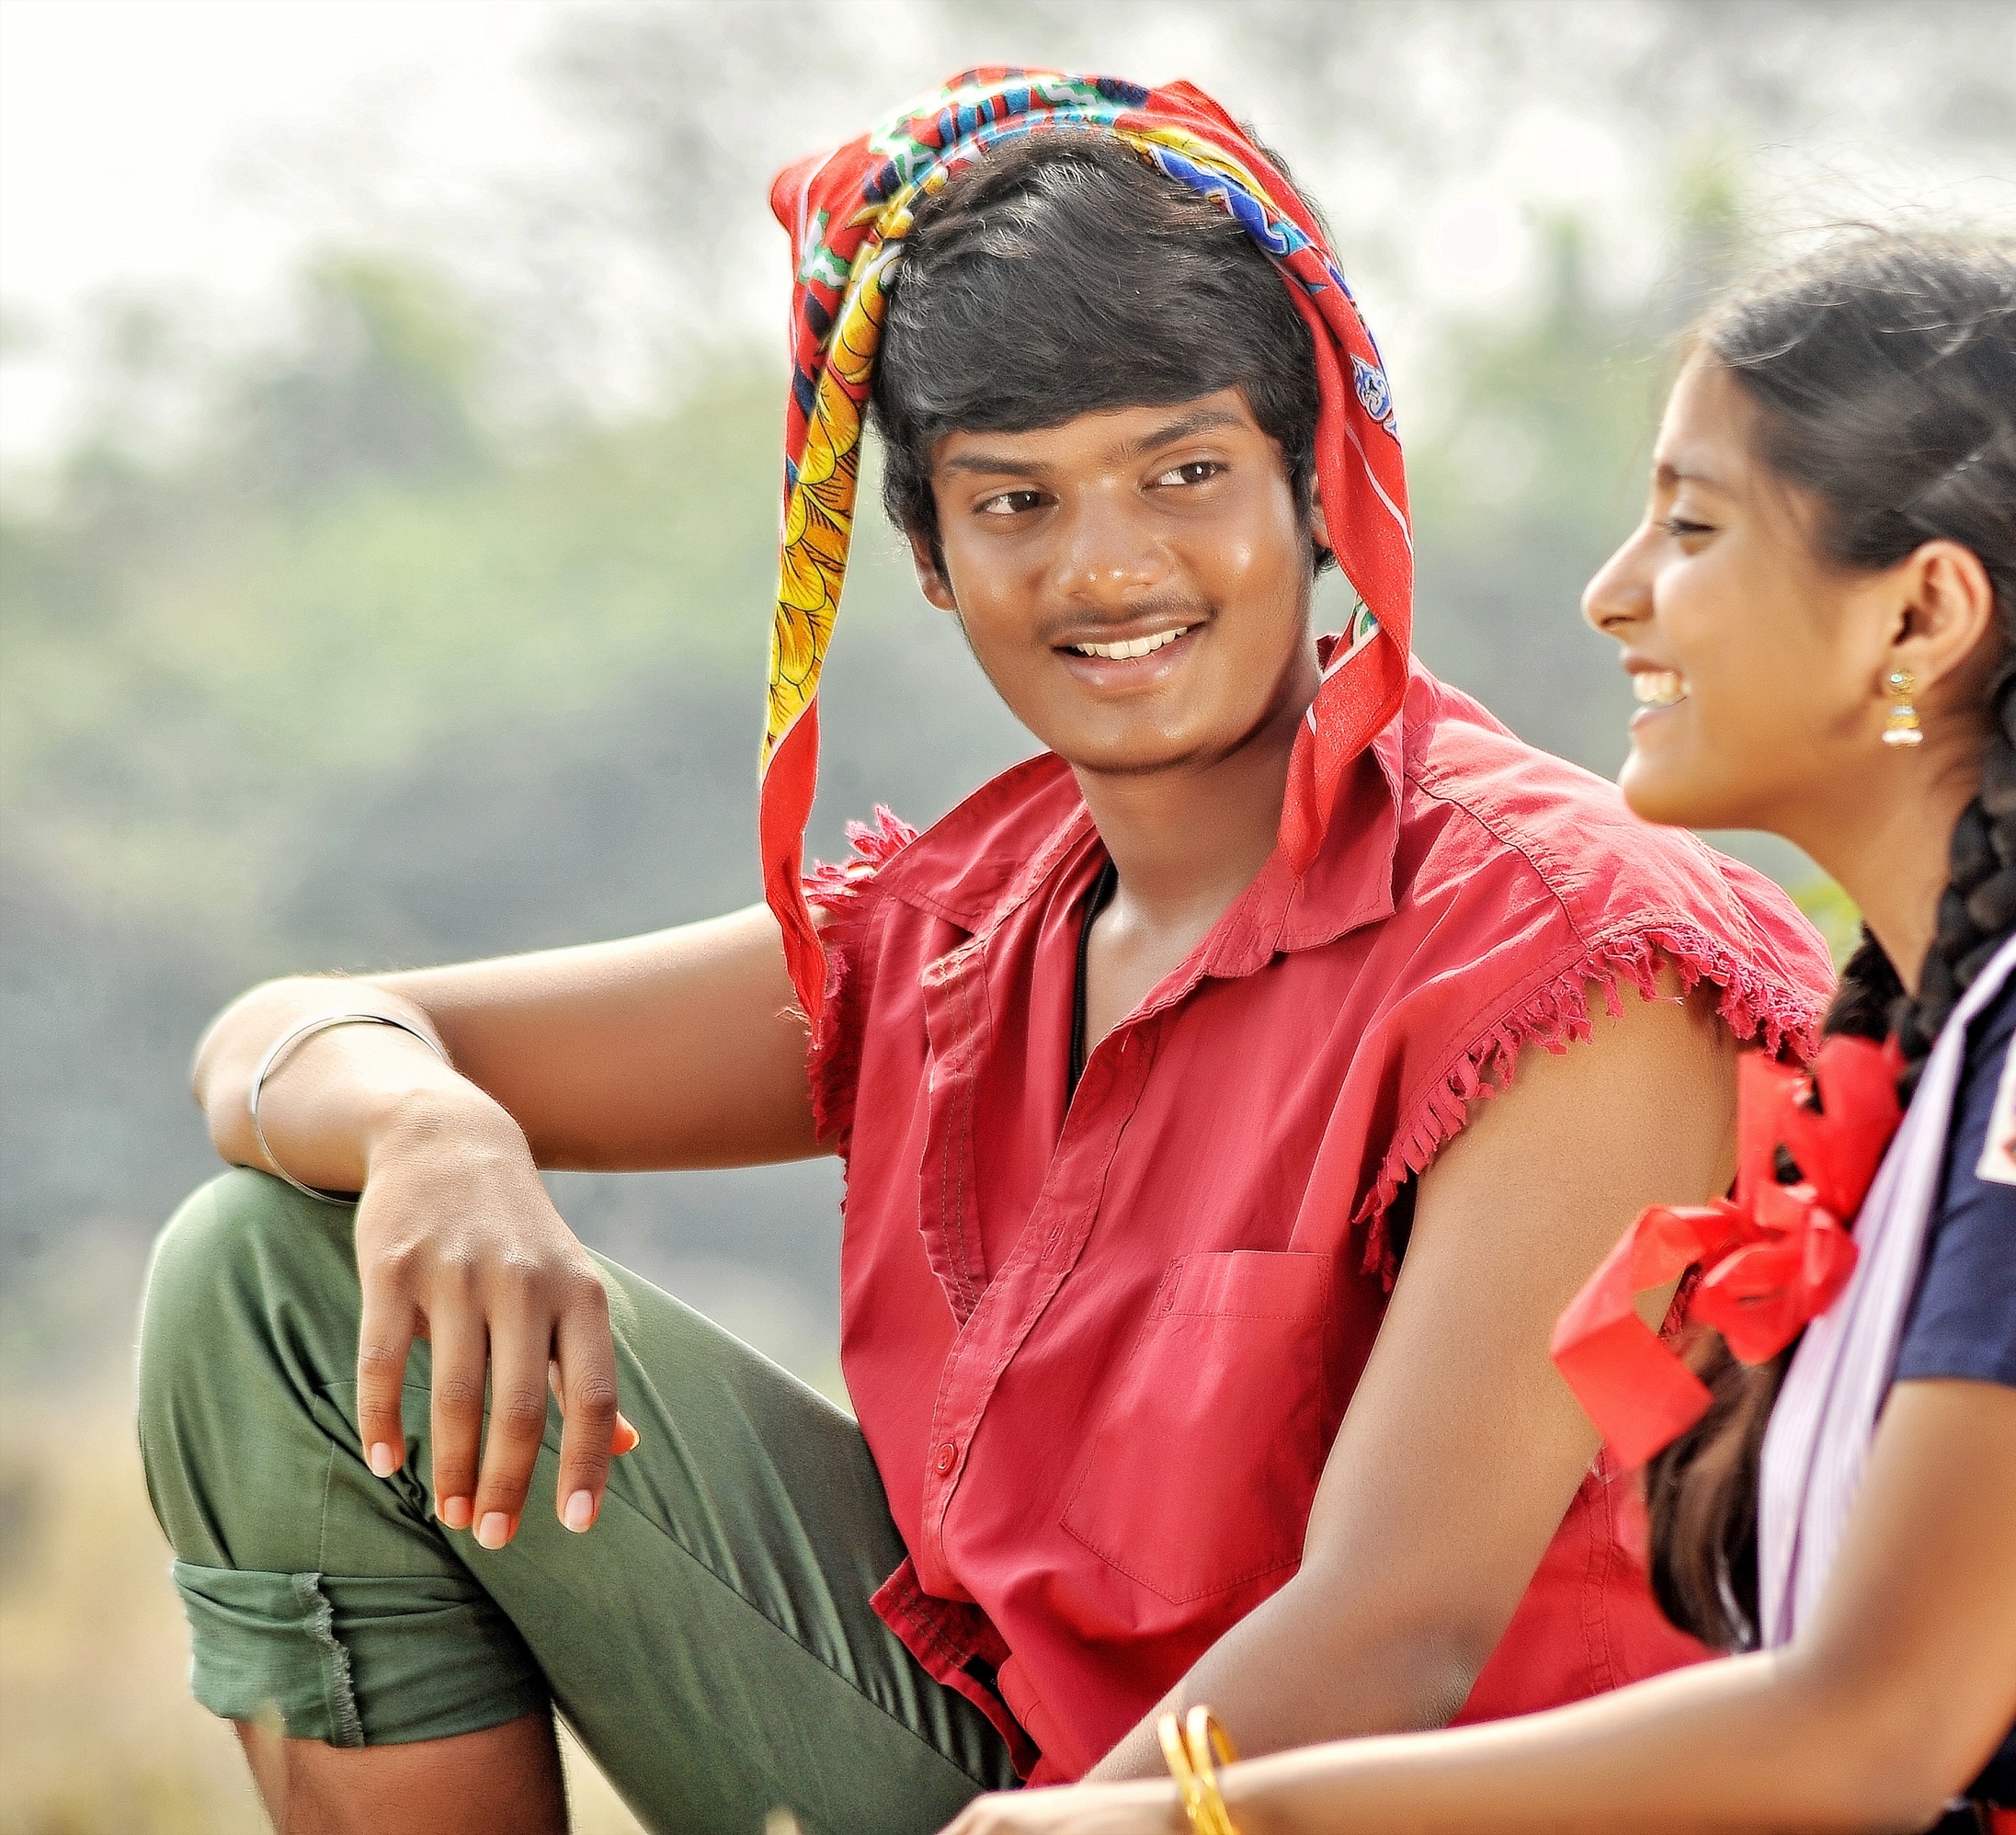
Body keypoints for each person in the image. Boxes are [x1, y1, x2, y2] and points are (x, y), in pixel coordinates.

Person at [133, 69, 1838, 1835]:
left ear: (1320, 485)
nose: (1106, 568)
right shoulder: (957, 937)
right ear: (931, 556)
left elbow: (1395, 1635)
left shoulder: (1568, 952)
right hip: (1014, 1783)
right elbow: (291, 1035)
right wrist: (436, 1132)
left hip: (1350, 1811)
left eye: (1185, 474)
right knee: (260, 1271)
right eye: (1016, 502)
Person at [944, 233, 2016, 1835]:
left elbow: (1873, 1734)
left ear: (1920, 618)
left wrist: (1199, 1818)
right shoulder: (1975, 1011)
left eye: (1692, 525)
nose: (1613, 595)